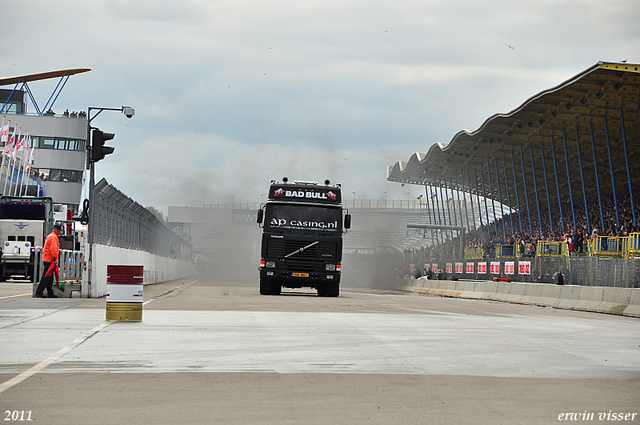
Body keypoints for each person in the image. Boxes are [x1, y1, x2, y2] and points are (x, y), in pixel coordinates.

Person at [35, 224, 62, 298]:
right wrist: (55, 259)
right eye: (60, 230)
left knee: (50, 277)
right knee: (46, 276)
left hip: (47, 259)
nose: (61, 232)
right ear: (57, 230)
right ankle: (39, 292)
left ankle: (50, 292)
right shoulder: (53, 237)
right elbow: (53, 249)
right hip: (50, 259)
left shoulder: (51, 236)